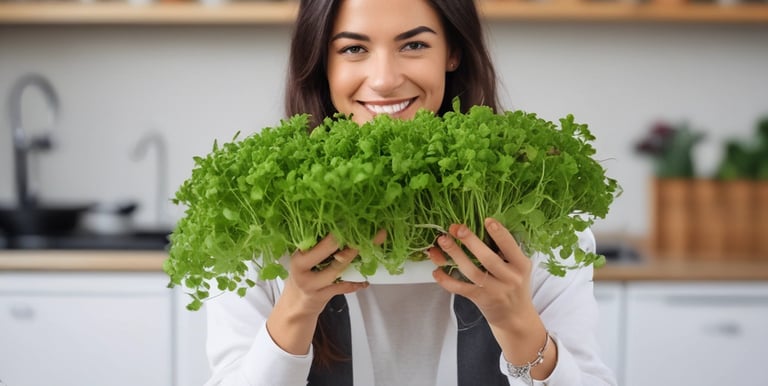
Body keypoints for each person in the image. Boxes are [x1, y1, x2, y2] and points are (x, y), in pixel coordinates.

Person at [204, 0, 617, 385]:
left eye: (414, 44)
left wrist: (517, 323)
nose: (384, 80)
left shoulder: (537, 212)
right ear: (321, 62)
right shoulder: (255, 220)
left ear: (452, 53)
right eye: (353, 49)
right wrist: (297, 305)